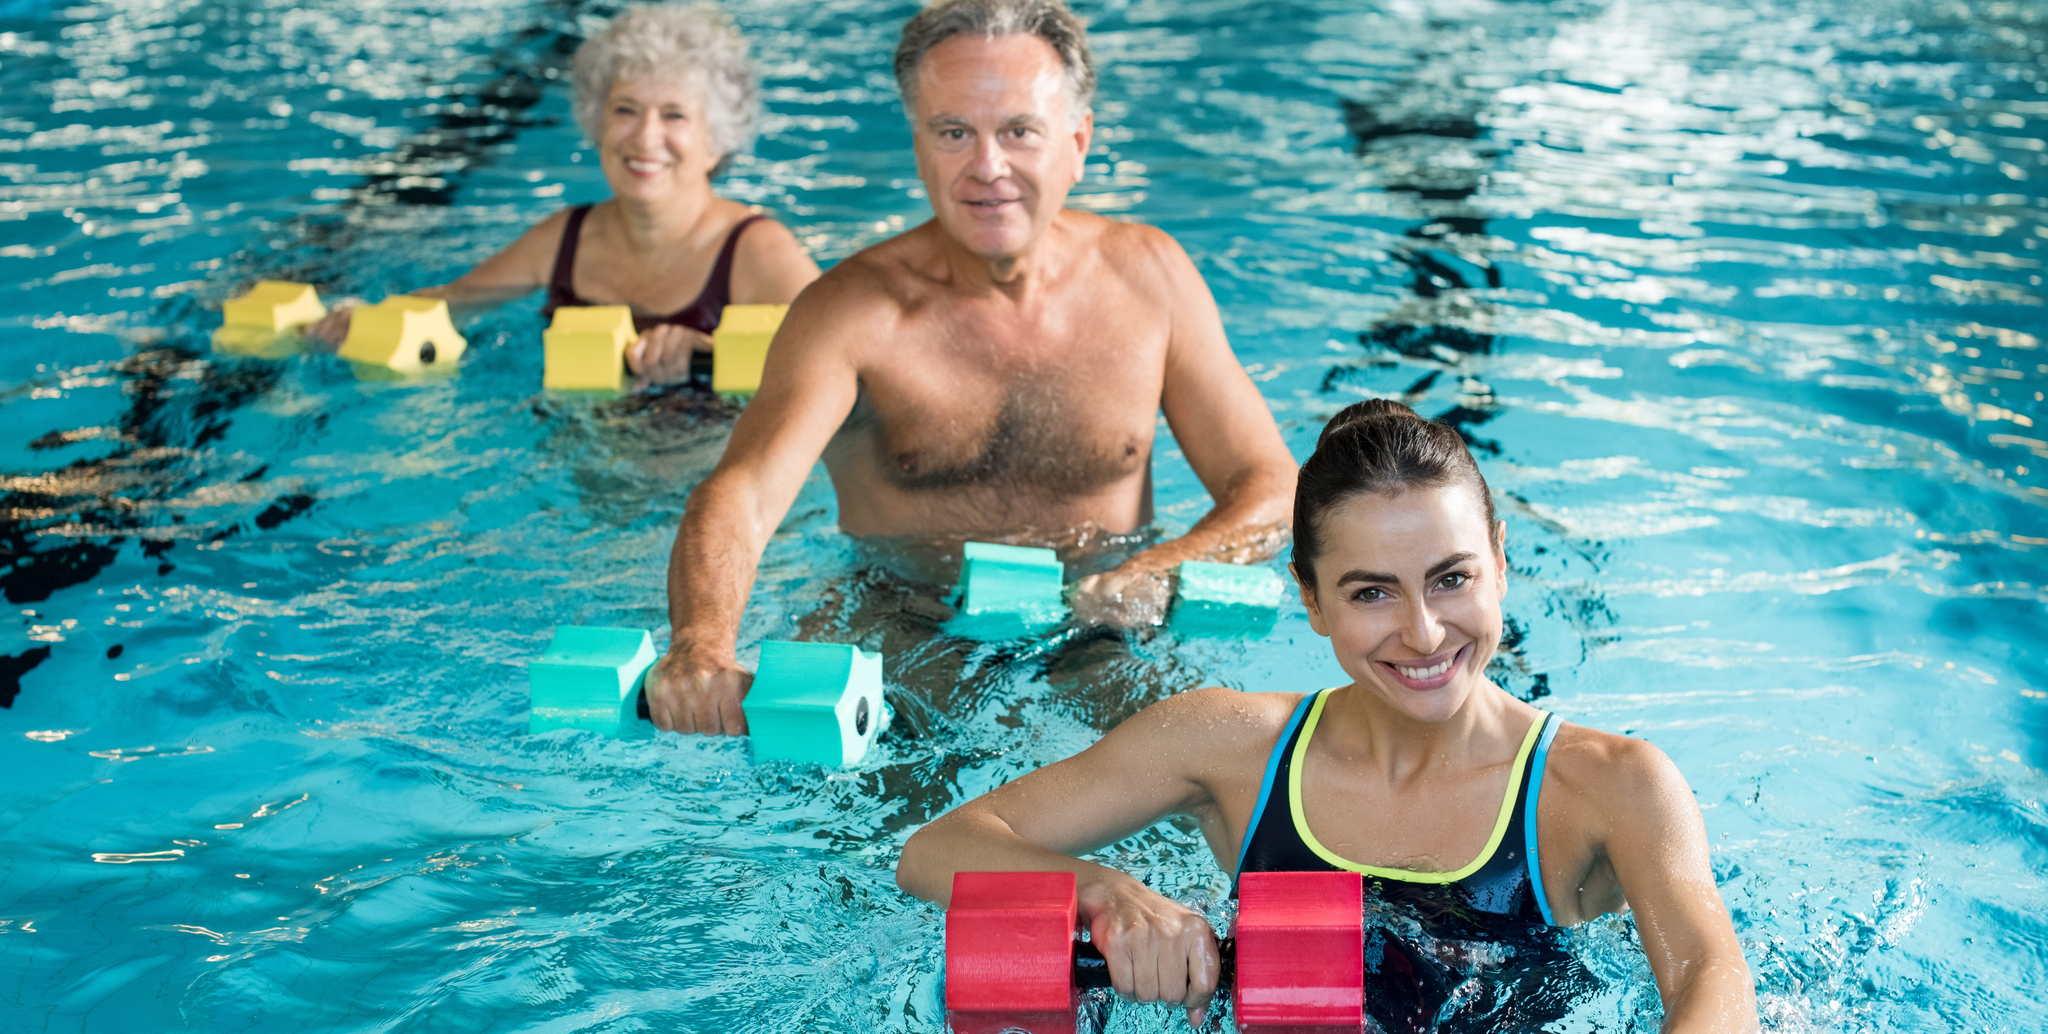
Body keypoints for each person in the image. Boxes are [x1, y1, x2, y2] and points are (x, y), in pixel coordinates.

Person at [895, 401, 1761, 1034]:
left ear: (1501, 563)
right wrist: (1112, 896)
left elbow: (1712, 977)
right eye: (1371, 592)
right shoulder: (1229, 746)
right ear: (1309, 600)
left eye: (1452, 578)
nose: (1424, 633)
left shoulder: (1607, 786)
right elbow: (937, 849)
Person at [646, 0, 1298, 735]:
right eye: (954, 133)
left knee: (1192, 779)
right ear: (919, 146)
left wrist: (1161, 569)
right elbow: (743, 493)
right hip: (912, 620)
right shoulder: (851, 313)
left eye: (1019, 131)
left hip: (1105, 620)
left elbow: (1271, 487)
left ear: (1077, 143)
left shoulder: (1150, 280)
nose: (987, 168)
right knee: (901, 830)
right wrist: (700, 642)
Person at [310, 3, 819, 384]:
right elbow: (452, 304)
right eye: (625, 109)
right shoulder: (565, 239)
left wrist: (708, 349)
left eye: (674, 115)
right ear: (596, 123)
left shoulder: (756, 250)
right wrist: (361, 317)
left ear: (717, 142)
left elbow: (844, 364)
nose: (644, 137)